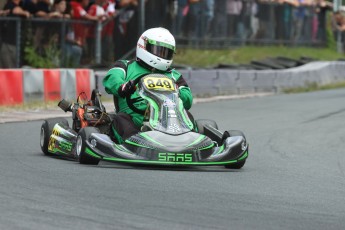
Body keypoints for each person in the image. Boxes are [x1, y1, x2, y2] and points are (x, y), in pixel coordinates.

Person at [103, 27, 193, 143]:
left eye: (166, 52)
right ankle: (134, 143)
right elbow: (111, 79)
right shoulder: (126, 66)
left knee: (188, 116)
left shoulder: (173, 75)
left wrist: (176, 92)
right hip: (135, 119)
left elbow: (188, 99)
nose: (162, 55)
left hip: (168, 118)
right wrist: (123, 87)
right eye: (159, 50)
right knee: (120, 119)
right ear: (144, 46)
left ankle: (193, 143)